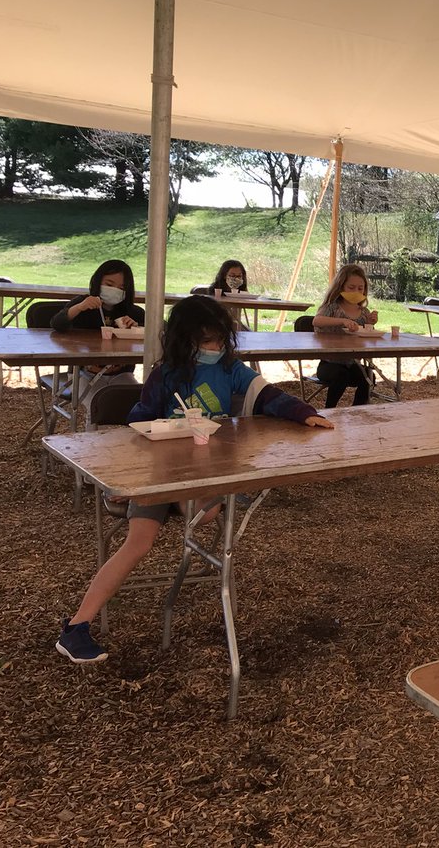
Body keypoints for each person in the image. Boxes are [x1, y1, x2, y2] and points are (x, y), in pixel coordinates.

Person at [55, 295, 333, 663]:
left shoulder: (231, 369)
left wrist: (303, 412)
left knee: (208, 510)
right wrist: (152, 445)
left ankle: (209, 507)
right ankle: (77, 626)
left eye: (220, 340)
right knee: (139, 543)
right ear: (184, 340)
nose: (216, 348)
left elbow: (266, 394)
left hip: (202, 475)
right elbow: (137, 420)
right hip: (158, 473)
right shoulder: (164, 373)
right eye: (207, 342)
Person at [50, 259, 145, 423]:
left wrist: (136, 330)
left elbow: (159, 331)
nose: (115, 290)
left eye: (122, 288)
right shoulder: (83, 304)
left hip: (121, 374)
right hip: (82, 375)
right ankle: (94, 444)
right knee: (99, 405)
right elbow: (57, 323)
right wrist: (79, 307)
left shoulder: (133, 312)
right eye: (109, 283)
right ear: (98, 281)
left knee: (135, 402)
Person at [312, 263, 379, 408]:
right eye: (351, 287)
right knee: (341, 376)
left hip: (353, 363)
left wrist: (370, 322)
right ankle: (329, 410)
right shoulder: (331, 307)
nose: (356, 291)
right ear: (341, 286)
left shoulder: (363, 312)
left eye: (360, 288)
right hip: (328, 364)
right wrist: (342, 321)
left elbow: (367, 333)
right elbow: (317, 320)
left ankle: (357, 410)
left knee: (369, 377)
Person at [210, 259, 250, 330]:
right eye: (232, 275)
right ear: (224, 275)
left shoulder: (241, 291)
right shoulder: (215, 291)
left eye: (239, 276)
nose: (236, 279)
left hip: (234, 324)